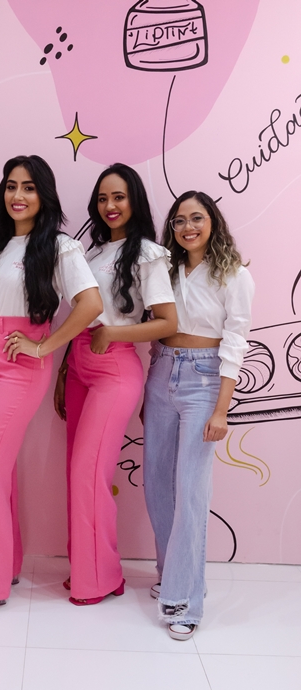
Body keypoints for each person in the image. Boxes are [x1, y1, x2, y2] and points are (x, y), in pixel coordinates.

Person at [0, 155, 103, 609]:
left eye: (29, 187)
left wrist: (44, 346)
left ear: (44, 195)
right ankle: (5, 565)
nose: (18, 195)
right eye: (12, 186)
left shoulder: (58, 246)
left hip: (21, 363)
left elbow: (90, 304)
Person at [53, 163, 177, 605]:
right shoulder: (91, 254)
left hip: (115, 368)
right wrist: (64, 369)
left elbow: (167, 321)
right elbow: (79, 314)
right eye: (103, 198)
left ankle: (101, 578)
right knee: (76, 472)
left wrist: (113, 332)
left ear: (134, 201)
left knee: (90, 474)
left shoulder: (148, 253)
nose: (110, 205)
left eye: (119, 197)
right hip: (78, 366)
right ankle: (87, 568)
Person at [143, 191, 255, 640]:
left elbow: (236, 341)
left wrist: (221, 409)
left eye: (196, 218)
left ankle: (185, 600)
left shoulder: (235, 274)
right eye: (179, 221)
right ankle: (174, 575)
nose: (187, 227)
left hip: (204, 381)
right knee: (157, 484)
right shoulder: (165, 269)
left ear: (213, 222)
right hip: (161, 372)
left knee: (190, 490)